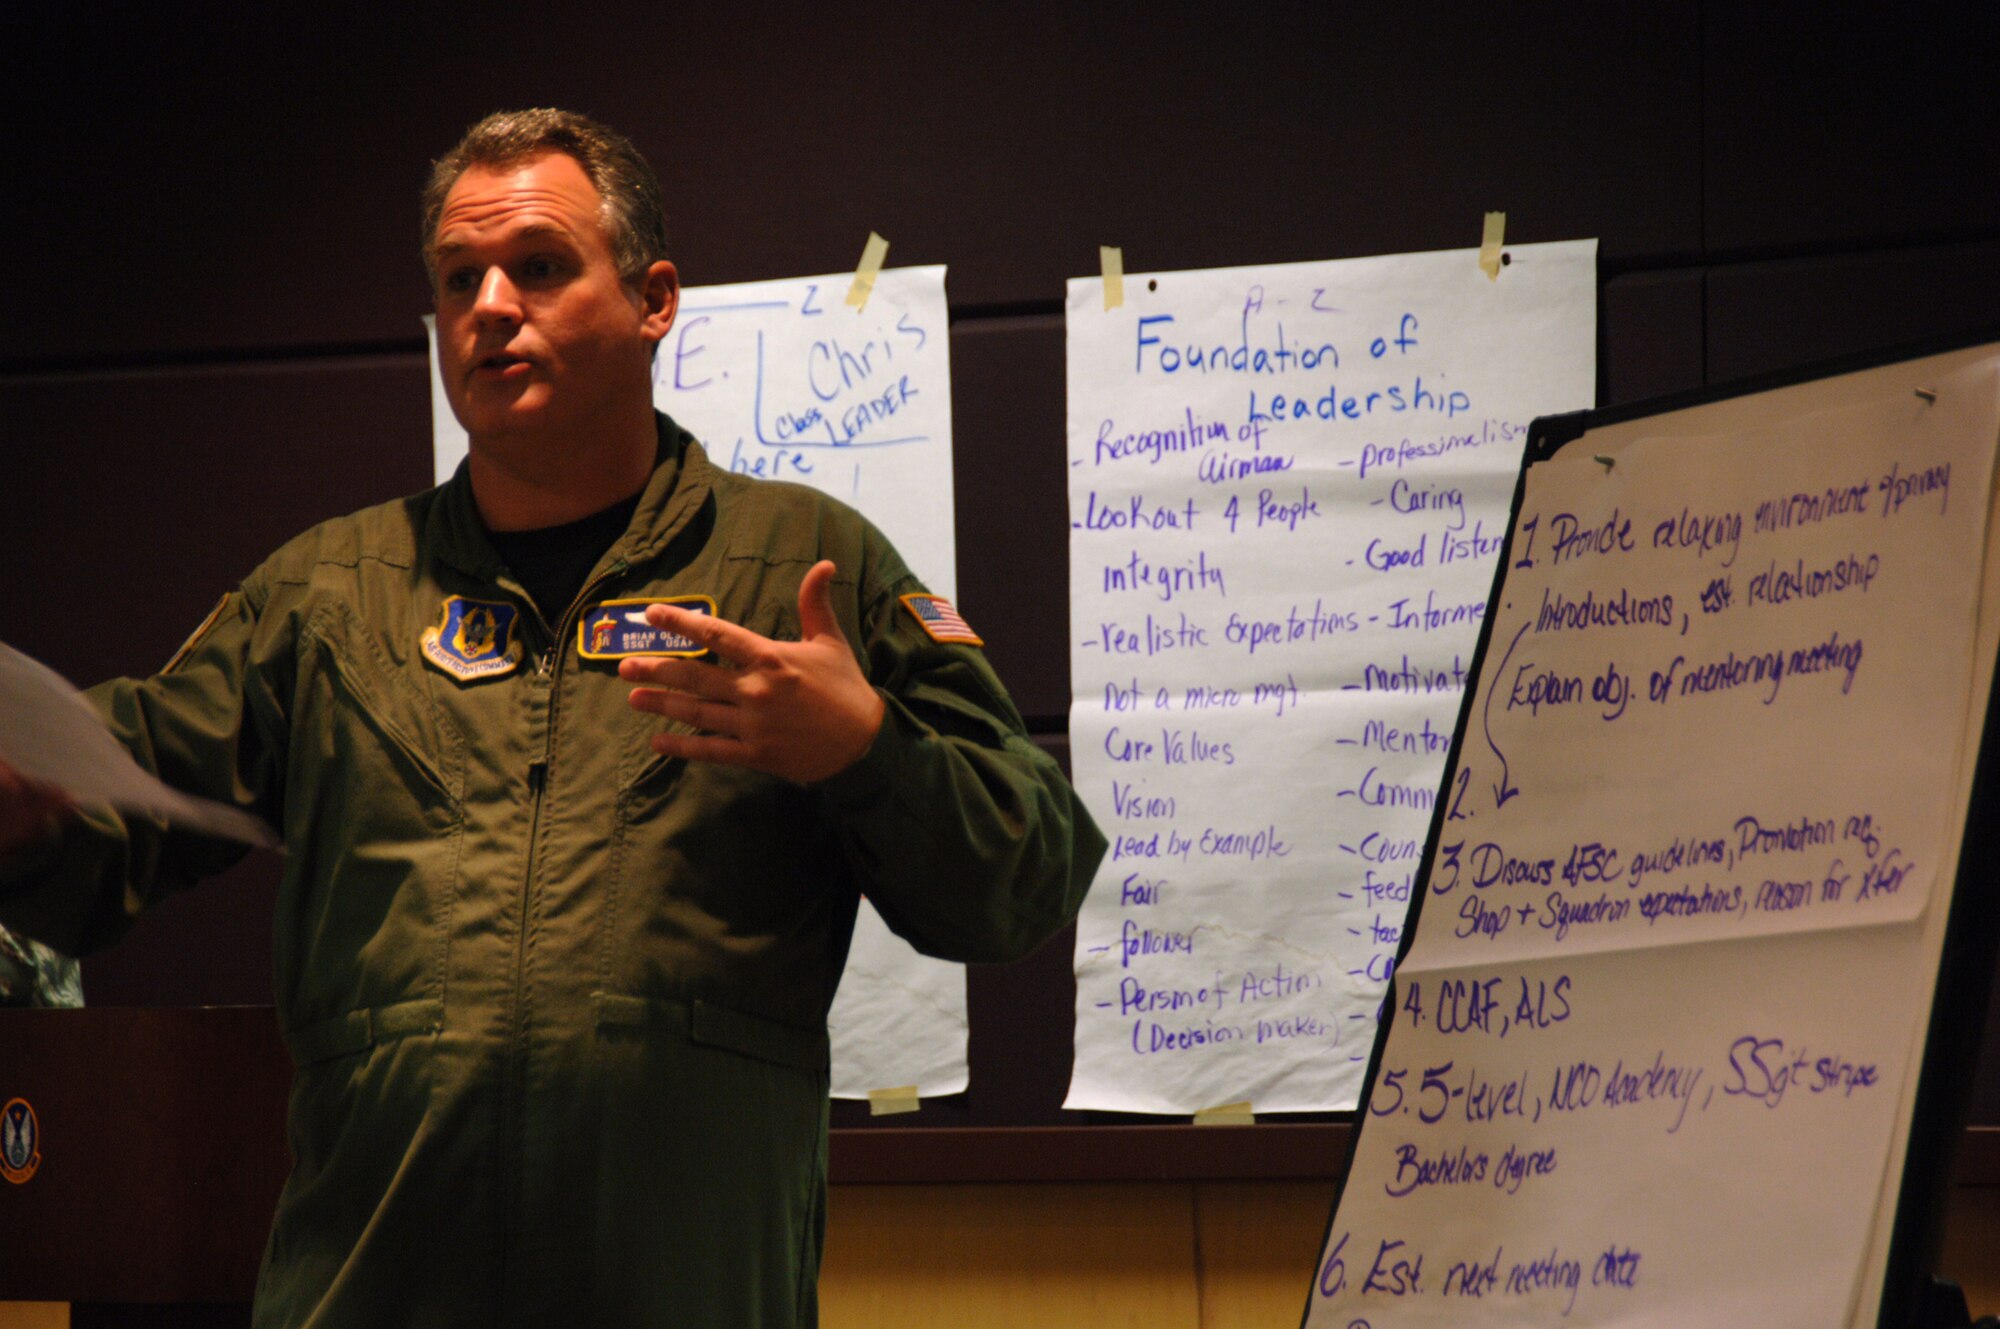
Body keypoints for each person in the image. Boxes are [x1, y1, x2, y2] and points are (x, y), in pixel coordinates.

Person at [0, 108, 1103, 1327]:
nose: (488, 305)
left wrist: (865, 754)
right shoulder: (327, 597)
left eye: (536, 265)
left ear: (652, 299)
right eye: (457, 276)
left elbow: (1027, 874)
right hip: (375, 1290)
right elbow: (113, 812)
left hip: (684, 1290)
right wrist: (20, 812)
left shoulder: (802, 566)